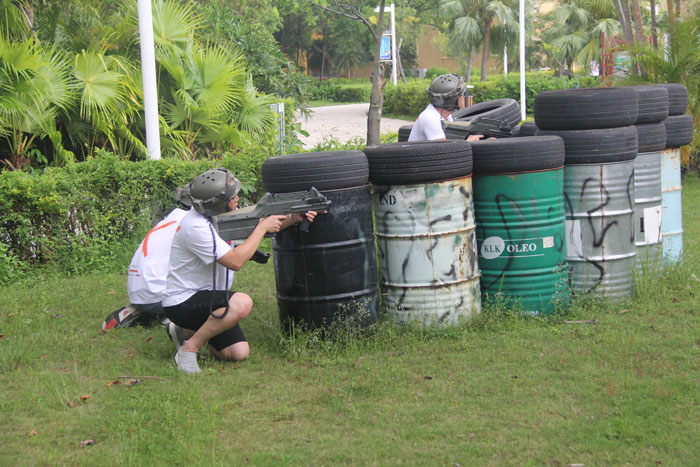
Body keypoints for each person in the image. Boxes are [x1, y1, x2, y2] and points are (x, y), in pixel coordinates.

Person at [162, 167, 318, 374]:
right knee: (241, 303)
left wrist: (292, 219)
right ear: (218, 203)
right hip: (183, 301)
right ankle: (188, 349)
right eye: (232, 197)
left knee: (238, 352)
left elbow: (251, 230)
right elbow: (235, 261)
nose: (237, 200)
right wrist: (262, 228)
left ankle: (182, 331)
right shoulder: (196, 227)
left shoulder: (214, 216)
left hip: (207, 298)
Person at [102, 186, 193, 331]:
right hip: (158, 295)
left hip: (137, 292)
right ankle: (173, 317)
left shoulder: (169, 220)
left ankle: (140, 310)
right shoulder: (191, 224)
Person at [408, 73, 468, 141]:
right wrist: (469, 142)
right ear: (454, 99)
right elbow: (442, 149)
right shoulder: (430, 118)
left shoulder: (445, 115)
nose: (463, 98)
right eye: (462, 95)